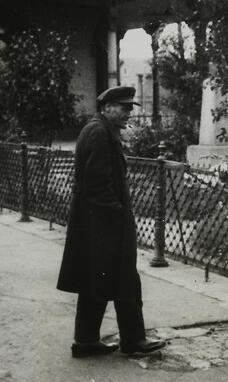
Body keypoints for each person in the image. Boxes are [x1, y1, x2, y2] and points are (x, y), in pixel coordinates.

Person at [57, 86, 166, 358]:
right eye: (124, 107)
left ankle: (85, 341)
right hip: (105, 225)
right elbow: (98, 184)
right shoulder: (99, 132)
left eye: (131, 107)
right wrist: (117, 214)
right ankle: (133, 340)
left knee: (96, 279)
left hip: (96, 224)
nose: (129, 112)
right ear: (107, 107)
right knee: (124, 278)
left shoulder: (100, 130)